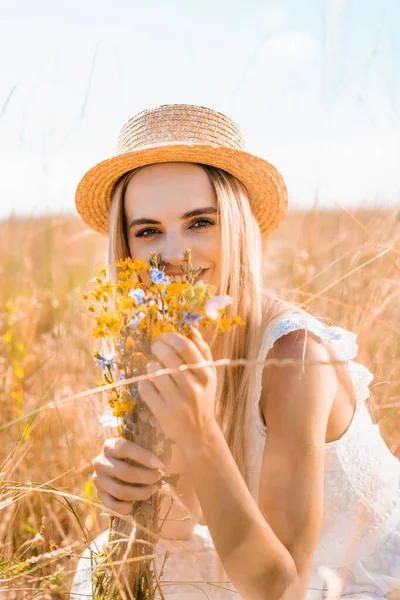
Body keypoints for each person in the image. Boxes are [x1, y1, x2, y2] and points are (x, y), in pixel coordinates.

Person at [70, 104, 400, 600]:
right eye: (148, 231)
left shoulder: (295, 356)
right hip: (260, 566)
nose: (175, 252)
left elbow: (282, 588)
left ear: (239, 225)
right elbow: (177, 531)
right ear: (128, 246)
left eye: (200, 222)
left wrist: (199, 433)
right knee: (107, 564)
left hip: (358, 582)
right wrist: (136, 486)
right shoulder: (164, 336)